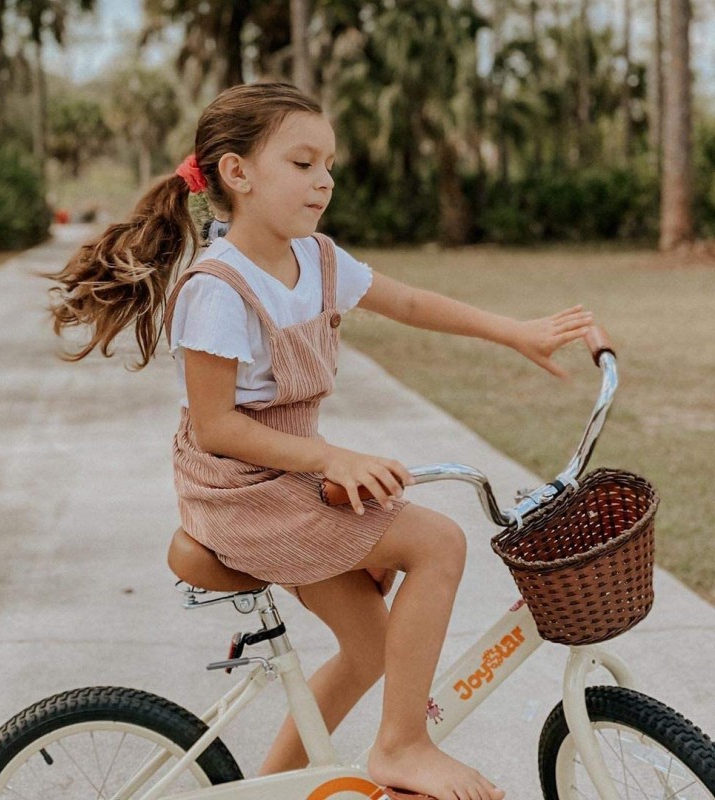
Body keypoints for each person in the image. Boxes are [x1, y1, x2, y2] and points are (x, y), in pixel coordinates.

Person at [48, 82, 593, 800]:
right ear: (237, 173)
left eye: (328, 163)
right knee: (437, 543)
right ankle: (402, 745)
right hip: (237, 490)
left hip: (287, 478)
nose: (325, 179)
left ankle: (269, 790)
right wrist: (332, 456)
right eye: (303, 163)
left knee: (371, 650)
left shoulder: (318, 261)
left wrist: (514, 331)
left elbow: (410, 302)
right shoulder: (219, 287)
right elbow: (217, 429)